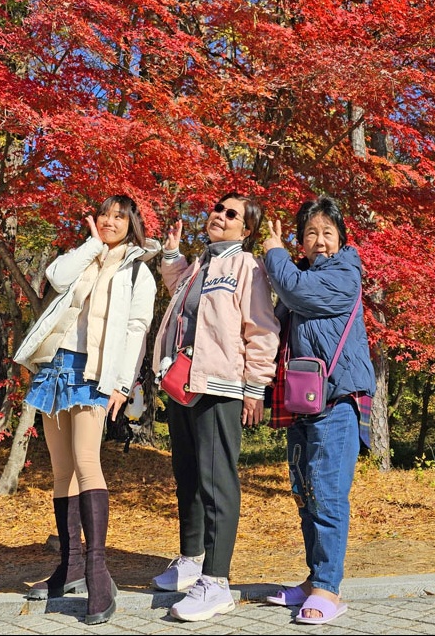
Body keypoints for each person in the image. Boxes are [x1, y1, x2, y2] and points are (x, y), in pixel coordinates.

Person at [13, 195, 159, 626]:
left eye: (120, 216)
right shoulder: (85, 257)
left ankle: (97, 572)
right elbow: (55, 277)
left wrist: (122, 382)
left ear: (132, 224)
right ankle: (70, 564)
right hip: (54, 366)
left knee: (87, 463)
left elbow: (137, 329)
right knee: (61, 472)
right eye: (105, 215)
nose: (110, 221)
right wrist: (91, 246)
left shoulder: (138, 270)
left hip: (95, 372)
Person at [150, 193, 279, 623]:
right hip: (183, 383)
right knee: (186, 475)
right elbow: (180, 297)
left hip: (221, 388)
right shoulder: (201, 265)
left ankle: (217, 581)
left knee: (216, 481)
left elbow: (261, 328)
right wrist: (172, 254)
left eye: (231, 214)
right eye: (217, 209)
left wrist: (256, 388)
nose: (219, 217)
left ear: (247, 229)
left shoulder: (247, 267)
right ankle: (191, 559)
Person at [262, 195, 375, 626]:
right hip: (301, 401)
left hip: (337, 402)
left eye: (328, 232)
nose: (320, 241)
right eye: (311, 233)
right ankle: (314, 580)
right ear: (303, 243)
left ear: (341, 238)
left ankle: (329, 588)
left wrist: (273, 253)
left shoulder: (344, 273)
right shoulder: (299, 277)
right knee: (305, 496)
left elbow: (295, 289)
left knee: (327, 495)